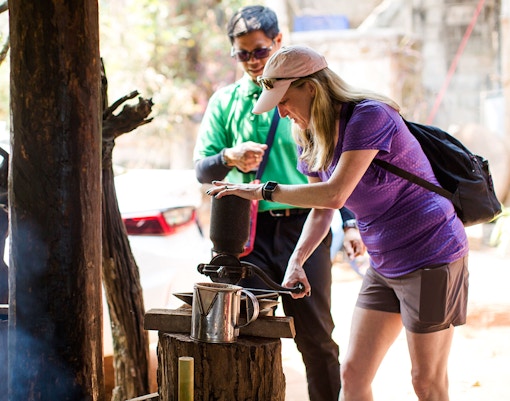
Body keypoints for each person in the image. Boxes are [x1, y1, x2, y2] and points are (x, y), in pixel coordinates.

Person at [206, 45, 469, 401]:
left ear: (310, 88)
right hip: (384, 261)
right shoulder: (309, 136)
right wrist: (296, 263)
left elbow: (335, 195)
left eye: (284, 101)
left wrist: (258, 191)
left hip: (433, 256)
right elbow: (322, 209)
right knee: (353, 373)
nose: (281, 114)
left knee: (426, 381)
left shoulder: (369, 116)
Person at [193, 7, 364, 401]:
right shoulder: (225, 102)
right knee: (244, 333)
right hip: (244, 234)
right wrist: (229, 158)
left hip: (304, 227)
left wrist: (351, 222)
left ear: (279, 43)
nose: (253, 62)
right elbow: (203, 169)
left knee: (315, 335)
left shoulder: (304, 98)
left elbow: (336, 171)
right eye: (243, 54)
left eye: (260, 51)